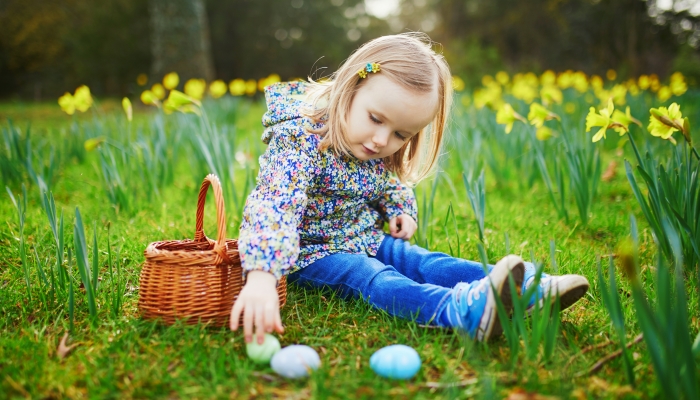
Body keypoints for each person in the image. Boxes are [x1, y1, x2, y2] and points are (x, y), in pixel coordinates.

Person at [230, 33, 589, 344]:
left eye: (401, 134)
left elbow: (390, 180)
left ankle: (524, 286)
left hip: (361, 236)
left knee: (422, 261)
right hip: (309, 253)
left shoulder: (375, 141)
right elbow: (274, 204)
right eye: (376, 119)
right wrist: (262, 275)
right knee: (370, 276)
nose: (381, 140)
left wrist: (401, 208)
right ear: (351, 88)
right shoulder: (300, 140)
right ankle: (458, 311)